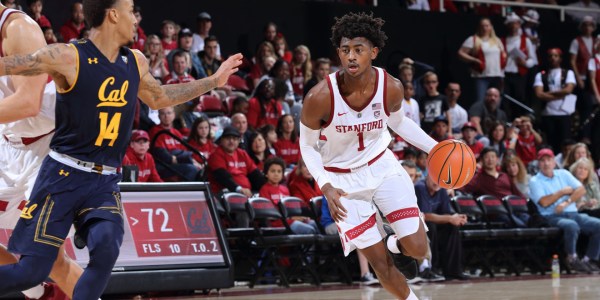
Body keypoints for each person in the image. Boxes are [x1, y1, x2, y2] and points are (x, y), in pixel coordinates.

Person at [0, 0, 243, 297]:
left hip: (80, 167)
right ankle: (38, 289)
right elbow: (15, 64)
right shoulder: (68, 54)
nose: (137, 17)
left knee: (91, 253)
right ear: (113, 15)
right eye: (131, 11)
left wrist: (214, 81)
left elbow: (161, 97)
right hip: (39, 157)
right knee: (37, 268)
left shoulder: (135, 61)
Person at [300, 12, 438, 299]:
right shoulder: (319, 97)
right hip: (342, 183)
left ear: (373, 52)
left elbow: (399, 123)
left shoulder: (391, 86)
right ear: (338, 53)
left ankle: (395, 244)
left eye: (358, 50)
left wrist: (435, 148)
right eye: (345, 50)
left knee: (417, 248)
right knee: (380, 265)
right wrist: (325, 186)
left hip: (382, 166)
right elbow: (307, 147)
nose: (351, 56)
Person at [0, 4, 82, 299]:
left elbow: (27, 103)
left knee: (51, 257)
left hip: (50, 148)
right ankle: (34, 289)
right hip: (9, 144)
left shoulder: (17, 28)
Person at [529, 148, 600, 273]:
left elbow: (581, 189)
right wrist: (561, 192)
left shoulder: (563, 173)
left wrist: (566, 201)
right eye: (542, 161)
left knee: (598, 225)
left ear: (553, 162)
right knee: (571, 226)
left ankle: (589, 260)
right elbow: (544, 202)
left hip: (573, 212)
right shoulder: (535, 181)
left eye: (549, 160)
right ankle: (571, 257)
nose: (546, 163)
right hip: (551, 216)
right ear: (538, 163)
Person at [415, 176, 469, 281]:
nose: (437, 183)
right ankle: (431, 269)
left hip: (434, 224)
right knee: (430, 226)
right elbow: (425, 215)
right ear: (427, 177)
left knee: (452, 227)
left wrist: (457, 218)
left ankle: (453, 271)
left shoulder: (442, 189)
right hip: (418, 224)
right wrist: (450, 218)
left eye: (440, 180)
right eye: (434, 179)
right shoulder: (420, 187)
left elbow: (446, 213)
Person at [259, 157, 319, 234]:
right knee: (309, 230)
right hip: (278, 223)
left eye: (279, 171)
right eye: (273, 171)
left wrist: (299, 217)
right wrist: (290, 217)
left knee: (317, 225)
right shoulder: (264, 189)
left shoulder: (285, 189)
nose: (276, 174)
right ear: (266, 174)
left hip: (290, 220)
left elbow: (291, 208)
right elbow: (268, 214)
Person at [534, 48, 576, 154]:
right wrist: (559, 95)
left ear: (560, 58)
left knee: (566, 143)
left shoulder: (568, 73)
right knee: (551, 143)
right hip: (548, 113)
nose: (553, 58)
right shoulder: (541, 75)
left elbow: (568, 89)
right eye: (550, 56)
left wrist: (547, 94)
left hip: (564, 113)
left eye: (555, 56)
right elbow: (539, 94)